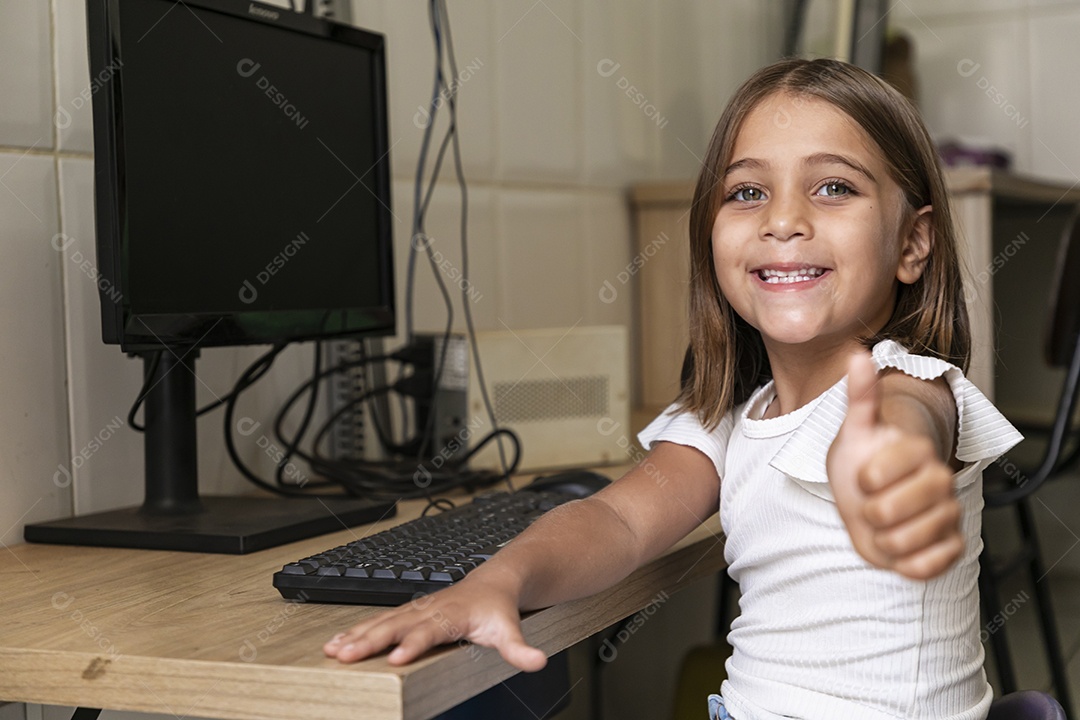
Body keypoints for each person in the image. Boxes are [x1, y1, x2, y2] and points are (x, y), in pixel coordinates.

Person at [324, 58, 1021, 720]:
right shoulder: (727, 419)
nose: (782, 220)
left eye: (833, 186)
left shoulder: (914, 385)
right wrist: (498, 581)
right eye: (747, 192)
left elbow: (906, 426)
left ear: (912, 243)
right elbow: (616, 522)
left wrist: (890, 469)